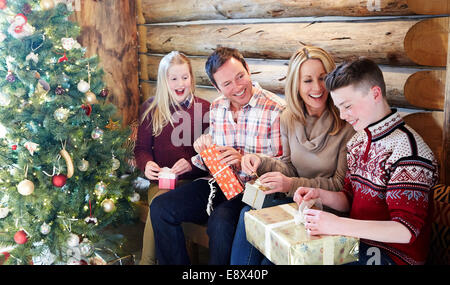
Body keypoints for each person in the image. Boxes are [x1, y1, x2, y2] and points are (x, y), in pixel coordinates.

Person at [294, 58, 438, 265]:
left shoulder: (409, 152)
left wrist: (338, 225)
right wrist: (320, 195)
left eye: (347, 106)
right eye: (339, 108)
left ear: (375, 94)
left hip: (394, 257)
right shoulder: (357, 142)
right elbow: (349, 198)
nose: (343, 115)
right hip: (357, 244)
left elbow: (406, 230)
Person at [150, 47, 286, 265]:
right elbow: (211, 157)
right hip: (220, 184)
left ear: (248, 69)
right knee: (161, 207)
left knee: (220, 223)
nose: (238, 87)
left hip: (253, 192)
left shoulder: (275, 109)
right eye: (227, 83)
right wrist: (200, 152)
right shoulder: (217, 107)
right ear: (216, 86)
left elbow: (285, 168)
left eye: (240, 76)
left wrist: (244, 159)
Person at [230, 46, 355, 265]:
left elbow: (339, 185)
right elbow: (289, 165)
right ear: (296, 85)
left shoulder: (347, 122)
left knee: (269, 262)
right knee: (247, 215)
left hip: (329, 213)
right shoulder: (289, 117)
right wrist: (261, 162)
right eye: (307, 80)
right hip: (298, 204)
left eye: (323, 78)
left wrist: (290, 184)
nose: (317, 87)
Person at [134, 51, 210, 265]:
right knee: (160, 199)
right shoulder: (151, 108)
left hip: (193, 185)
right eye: (173, 78)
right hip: (161, 184)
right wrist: (146, 164)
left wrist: (192, 165)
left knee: (162, 204)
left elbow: (210, 159)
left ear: (191, 79)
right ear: (164, 80)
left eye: (184, 77)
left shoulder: (205, 109)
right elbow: (141, 148)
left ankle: (146, 263)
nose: (180, 83)